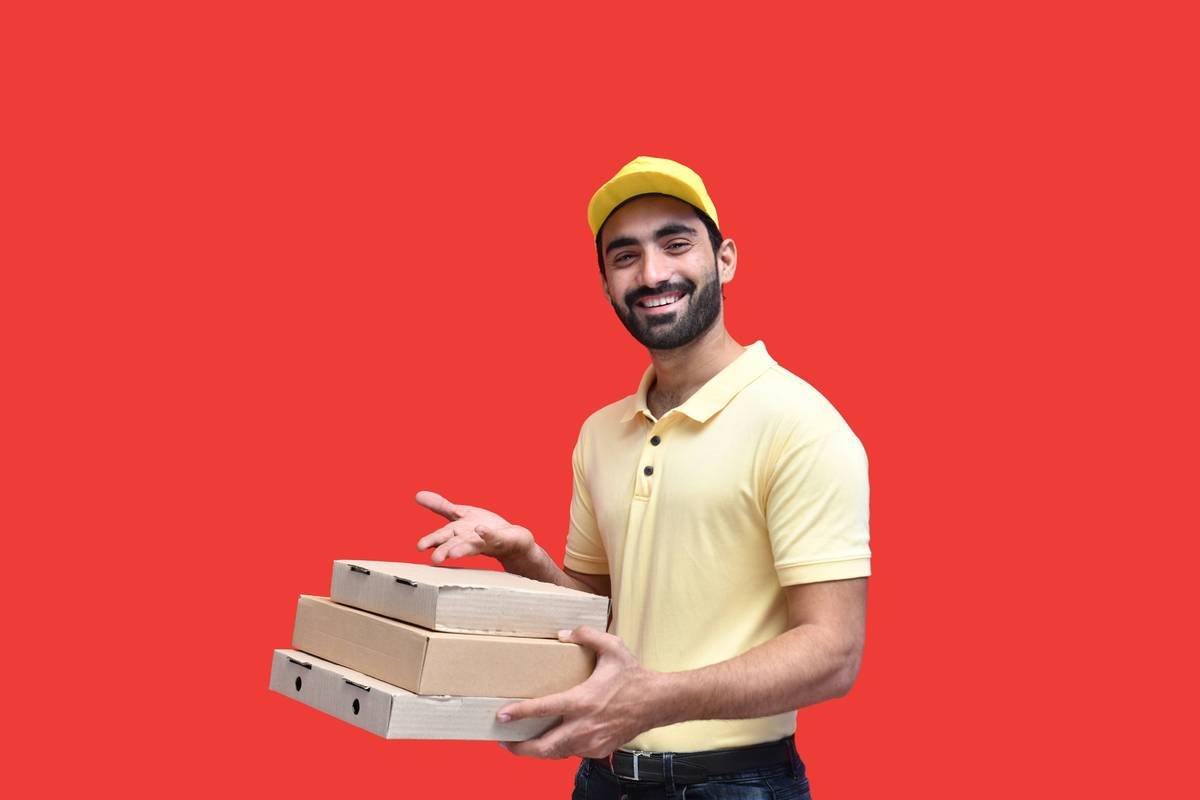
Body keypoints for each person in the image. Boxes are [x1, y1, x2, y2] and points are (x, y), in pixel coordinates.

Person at [415, 156, 871, 799]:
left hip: (736, 785)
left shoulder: (800, 425)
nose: (652, 273)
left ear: (727, 259)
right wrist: (526, 558)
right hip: (602, 780)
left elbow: (834, 653)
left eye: (676, 243)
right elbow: (604, 615)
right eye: (625, 256)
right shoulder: (601, 432)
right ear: (605, 284)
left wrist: (652, 701)